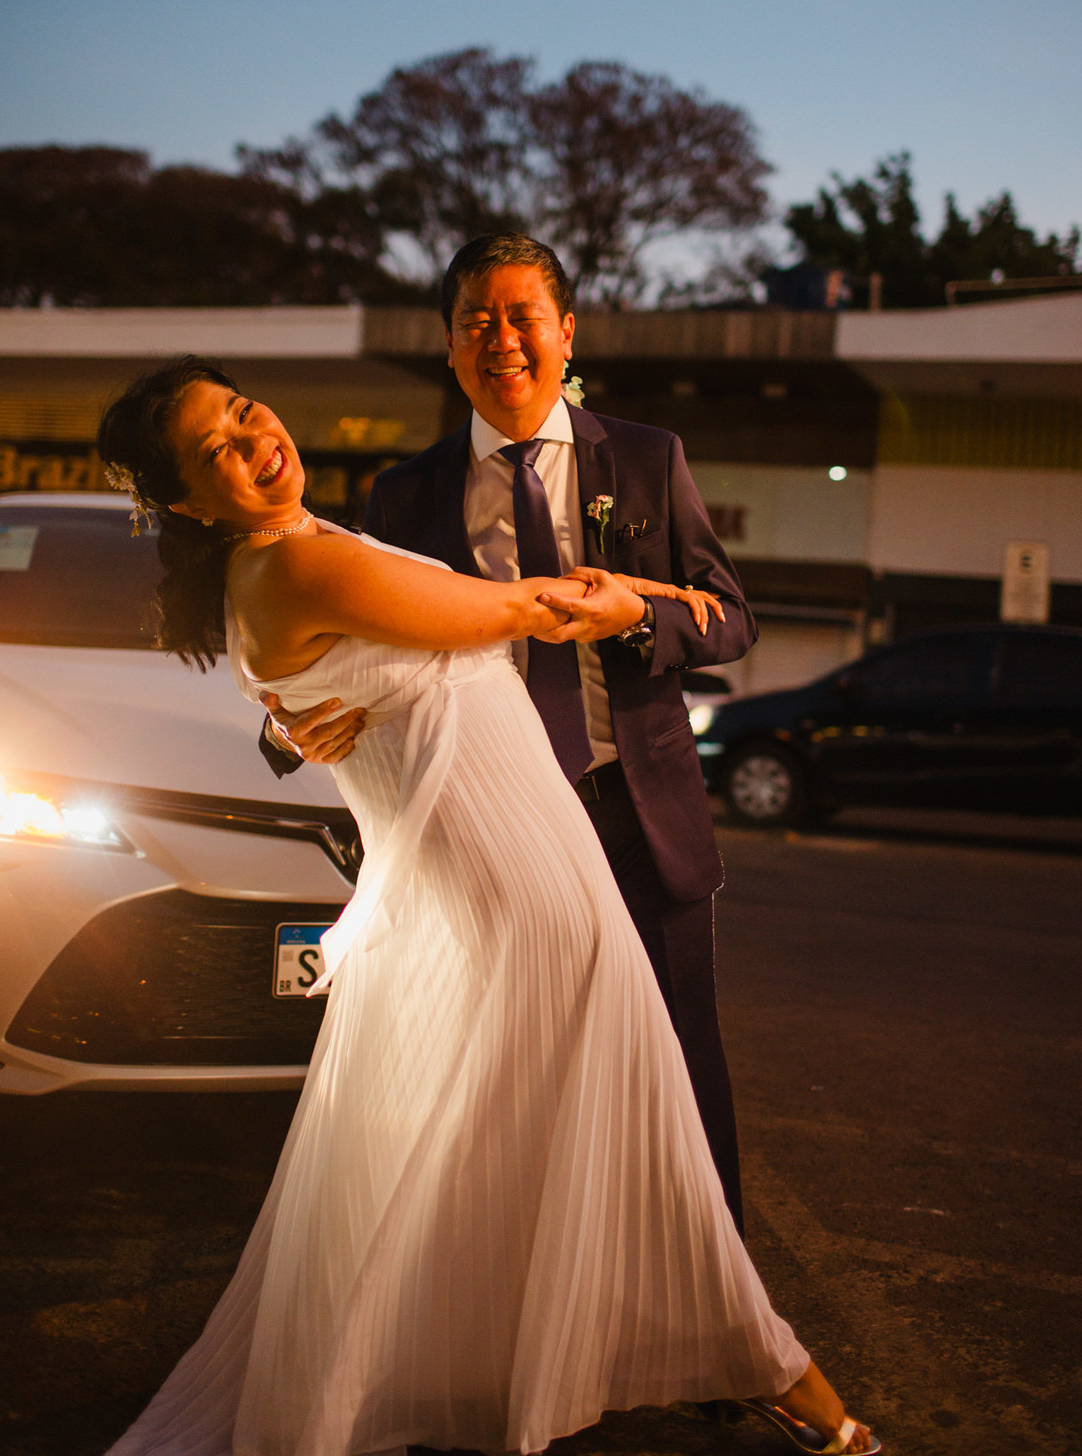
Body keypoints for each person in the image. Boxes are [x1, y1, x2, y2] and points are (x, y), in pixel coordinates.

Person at [97, 357, 879, 1456]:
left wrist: (672, 605)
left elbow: (354, 660)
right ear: (187, 499)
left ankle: (597, 1361)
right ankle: (765, 1371)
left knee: (536, 1127)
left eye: (243, 411)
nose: (253, 440)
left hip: (563, 843)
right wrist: (644, 599)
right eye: (214, 448)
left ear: (565, 335)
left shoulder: (625, 464)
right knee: (617, 1124)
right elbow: (505, 612)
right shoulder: (326, 540)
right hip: (515, 881)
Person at [261, 233, 752, 1232]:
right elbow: (349, 653)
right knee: (508, 1073)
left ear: (566, 333)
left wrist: (636, 616)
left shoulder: (646, 459)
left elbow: (731, 620)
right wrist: (297, 729)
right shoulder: (405, 495)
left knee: (680, 1064)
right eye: (475, 321)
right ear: (449, 346)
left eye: (522, 316)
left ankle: (715, 1291)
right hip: (485, 831)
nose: (501, 339)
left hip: (634, 816)